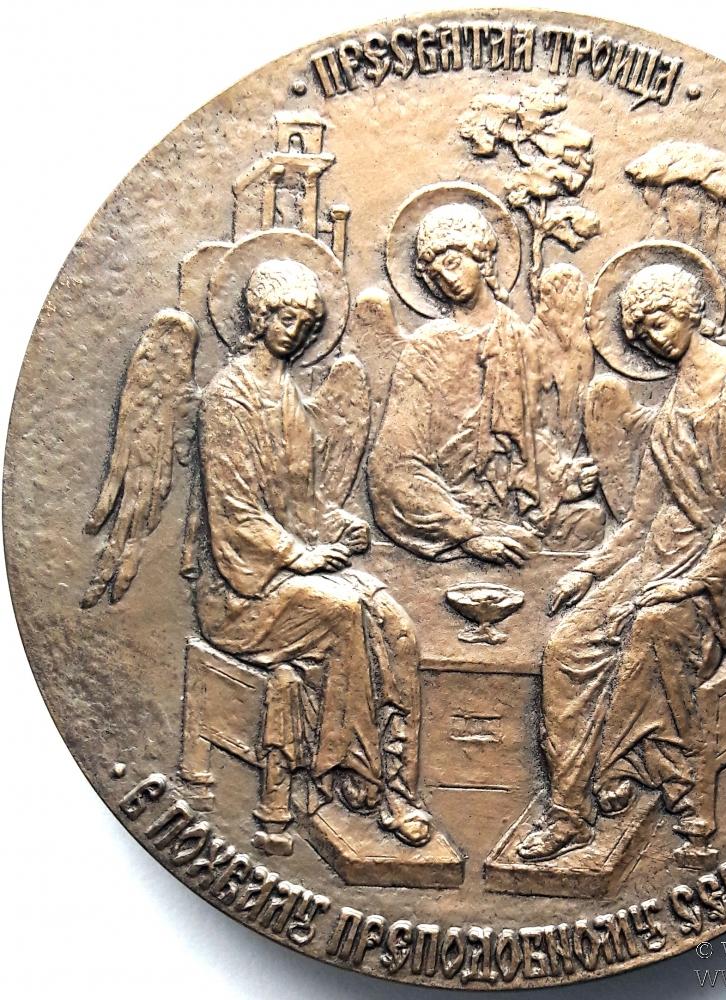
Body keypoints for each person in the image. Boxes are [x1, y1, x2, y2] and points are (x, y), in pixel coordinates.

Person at [518, 262, 726, 861]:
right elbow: (639, 521)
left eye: (658, 321)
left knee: (654, 629)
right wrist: (590, 571)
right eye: (639, 332)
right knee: (566, 647)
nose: (650, 338)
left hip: (717, 573)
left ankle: (667, 782)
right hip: (654, 560)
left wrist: (694, 581)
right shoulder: (669, 405)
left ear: (690, 311)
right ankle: (569, 813)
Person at [194, 257, 433, 850]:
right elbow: (233, 509)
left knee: (397, 626)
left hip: (291, 572)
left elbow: (304, 499)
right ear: (259, 316)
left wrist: (337, 524)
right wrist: (295, 554)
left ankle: (399, 783)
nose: (295, 331)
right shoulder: (227, 398)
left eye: (305, 321)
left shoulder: (288, 396)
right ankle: (361, 781)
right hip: (241, 592)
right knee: (343, 614)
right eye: (285, 317)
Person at [368, 203, 600, 564]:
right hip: (447, 508)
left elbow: (529, 436)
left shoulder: (518, 337)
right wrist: (468, 533)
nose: (446, 279)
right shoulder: (427, 347)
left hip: (509, 502)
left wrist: (559, 478)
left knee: (590, 522)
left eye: (453, 262)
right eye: (435, 274)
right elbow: (393, 465)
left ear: (483, 258)